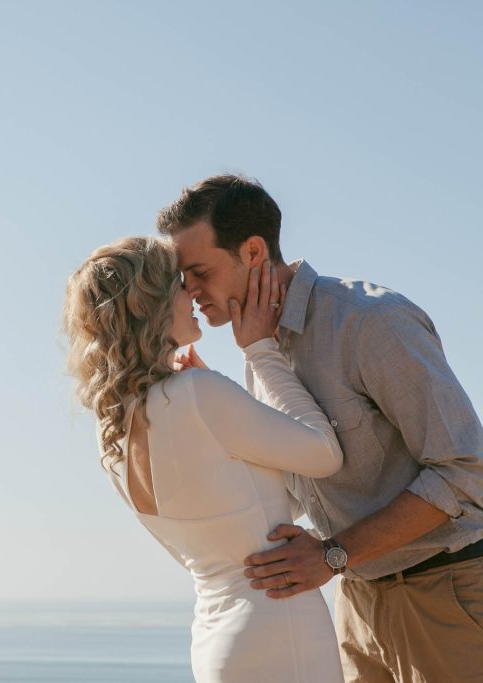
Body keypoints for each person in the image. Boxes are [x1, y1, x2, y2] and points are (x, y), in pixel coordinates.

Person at [157, 173, 483, 682]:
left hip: (446, 592)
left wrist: (334, 554)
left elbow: (465, 470)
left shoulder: (369, 321)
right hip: (356, 600)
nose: (190, 291)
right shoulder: (258, 352)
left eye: (199, 271)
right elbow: (294, 492)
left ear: (253, 251)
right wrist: (213, 407)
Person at [63, 236, 344, 682]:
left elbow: (254, 507)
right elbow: (325, 453)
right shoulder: (197, 394)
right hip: (278, 624)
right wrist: (260, 351)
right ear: (149, 304)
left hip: (216, 637)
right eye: (177, 284)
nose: (191, 293)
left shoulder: (112, 429)